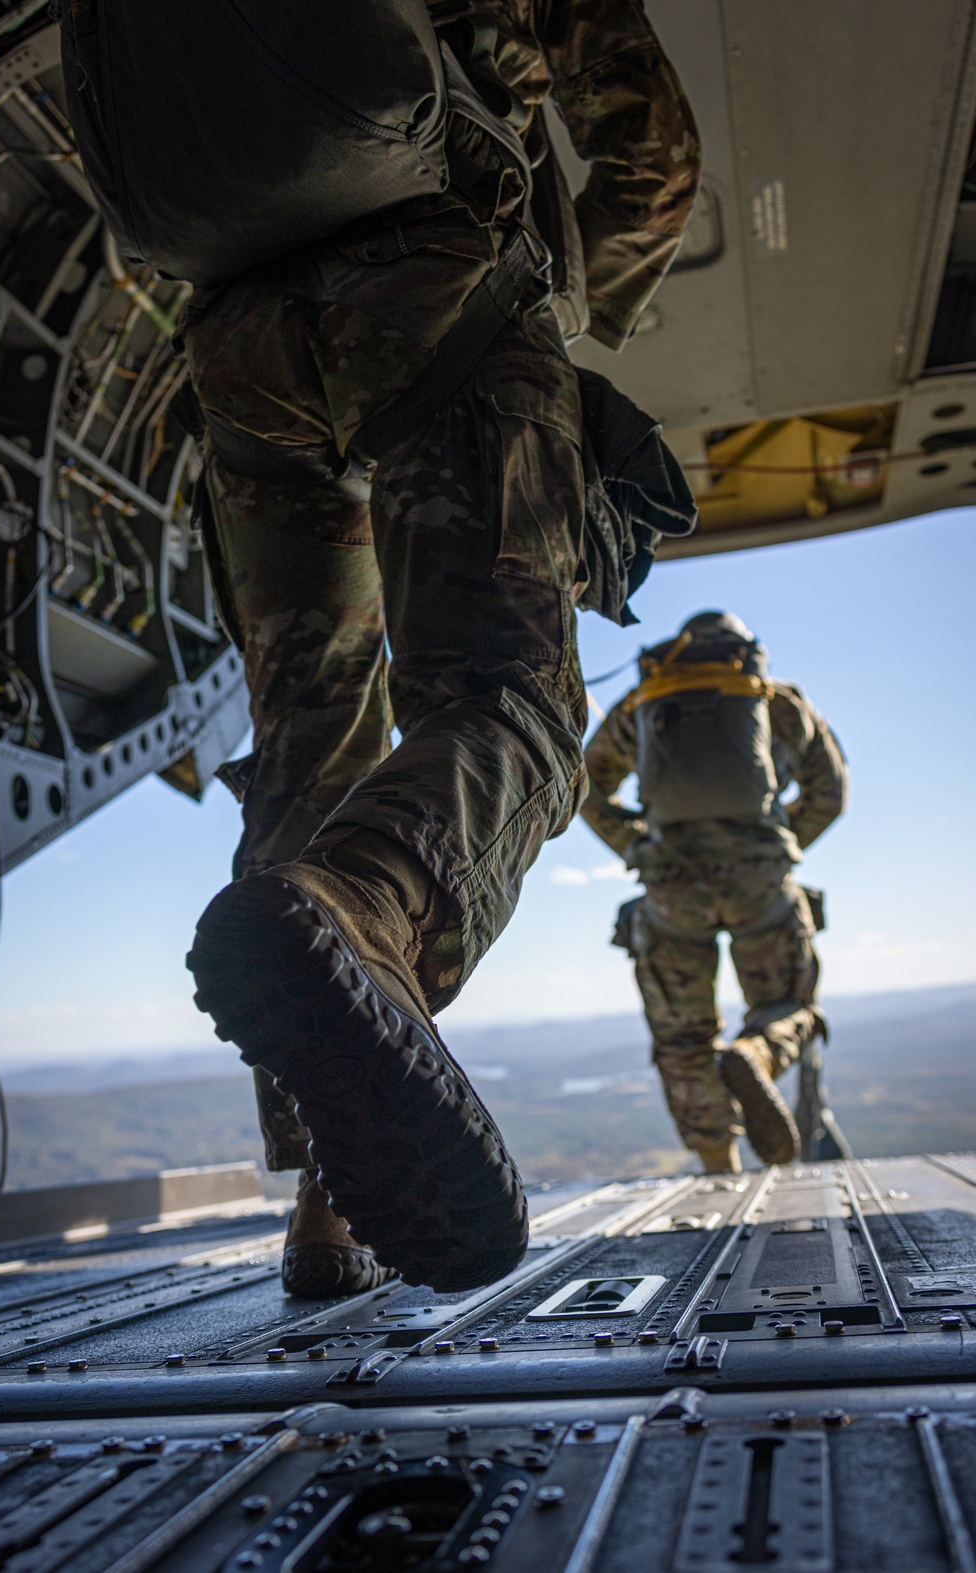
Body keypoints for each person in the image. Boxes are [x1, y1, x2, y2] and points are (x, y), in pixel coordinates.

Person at [172, 5, 701, 1292]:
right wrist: (563, 308)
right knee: (505, 697)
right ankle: (371, 904)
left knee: (309, 747)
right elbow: (651, 157)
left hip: (237, 345)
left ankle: (326, 1209)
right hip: (434, 287)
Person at [581, 611, 847, 1174]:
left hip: (672, 886)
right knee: (790, 1005)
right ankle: (755, 1054)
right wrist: (777, 843)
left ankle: (718, 1167)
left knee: (682, 1041)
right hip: (760, 881)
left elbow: (585, 786)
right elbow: (830, 791)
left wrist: (637, 846)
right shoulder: (779, 702)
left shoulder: (644, 706)